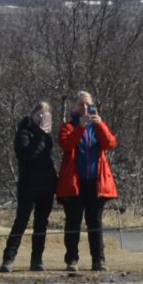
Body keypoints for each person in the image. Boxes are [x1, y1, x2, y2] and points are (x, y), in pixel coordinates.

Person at [56, 90, 118, 273]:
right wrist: (81, 127)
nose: (84, 108)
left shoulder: (98, 126)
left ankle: (98, 260)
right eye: (80, 104)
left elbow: (110, 143)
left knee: (95, 222)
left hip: (96, 183)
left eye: (87, 104)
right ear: (75, 107)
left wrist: (99, 124)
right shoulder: (68, 127)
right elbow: (67, 144)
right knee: (73, 222)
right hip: (75, 183)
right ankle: (72, 260)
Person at [0, 101, 58, 272]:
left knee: (41, 224)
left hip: (46, 186)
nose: (42, 118)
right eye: (39, 114)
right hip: (28, 186)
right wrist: (40, 134)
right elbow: (27, 154)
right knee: (21, 221)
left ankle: (37, 259)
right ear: (32, 115)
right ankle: (8, 258)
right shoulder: (23, 131)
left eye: (45, 115)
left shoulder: (47, 136)